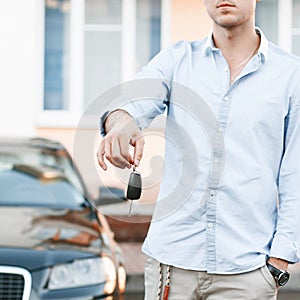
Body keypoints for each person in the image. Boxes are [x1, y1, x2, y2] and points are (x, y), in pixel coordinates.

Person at [97, 0, 300, 299]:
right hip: (170, 269)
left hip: (246, 275)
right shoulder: (177, 59)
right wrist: (121, 121)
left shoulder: (290, 75)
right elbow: (133, 100)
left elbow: (295, 176)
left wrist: (278, 262)